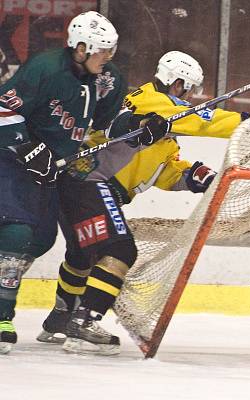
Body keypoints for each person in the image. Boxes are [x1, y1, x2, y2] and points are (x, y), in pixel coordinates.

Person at [35, 51, 250, 355]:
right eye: (188, 90)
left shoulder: (163, 127)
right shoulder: (151, 100)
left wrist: (194, 176)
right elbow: (204, 121)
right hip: (90, 181)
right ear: (177, 84)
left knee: (83, 255)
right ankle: (85, 322)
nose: (190, 98)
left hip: (79, 185)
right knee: (119, 249)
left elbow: (164, 172)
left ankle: (60, 318)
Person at [0, 11, 154, 354]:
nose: (108, 58)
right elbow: (3, 108)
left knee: (40, 239)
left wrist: (142, 127)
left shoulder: (107, 78)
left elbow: (109, 123)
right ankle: (1, 317)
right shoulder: (46, 68)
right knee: (17, 232)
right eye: (103, 51)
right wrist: (27, 146)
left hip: (50, 171)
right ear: (81, 48)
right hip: (10, 159)